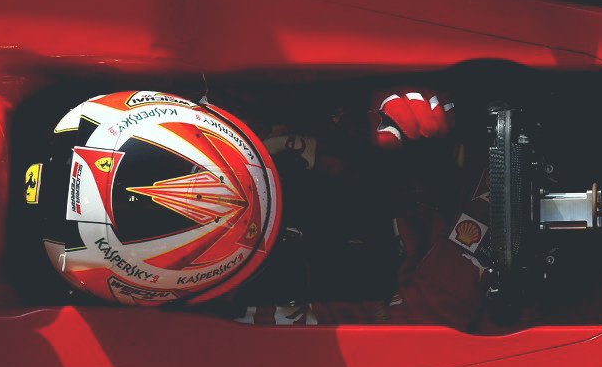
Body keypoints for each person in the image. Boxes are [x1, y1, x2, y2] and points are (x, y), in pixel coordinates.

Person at [32, 85, 496, 331]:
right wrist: (480, 224)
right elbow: (412, 331)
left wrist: (376, 103)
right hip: (485, 264)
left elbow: (316, 60)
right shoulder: (239, 325)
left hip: (446, 163)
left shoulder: (231, 91)